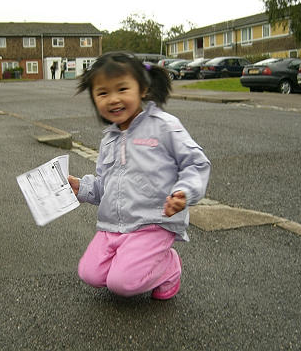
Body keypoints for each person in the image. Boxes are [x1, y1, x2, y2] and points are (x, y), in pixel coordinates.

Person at [68, 52, 211, 300]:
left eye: (122, 89)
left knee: (121, 284)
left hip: (153, 222)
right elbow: (104, 187)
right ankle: (132, 261)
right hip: (114, 225)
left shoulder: (164, 125)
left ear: (142, 88)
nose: (113, 99)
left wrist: (184, 193)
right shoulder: (109, 139)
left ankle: (168, 267)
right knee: (90, 274)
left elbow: (195, 163)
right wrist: (80, 187)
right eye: (103, 93)